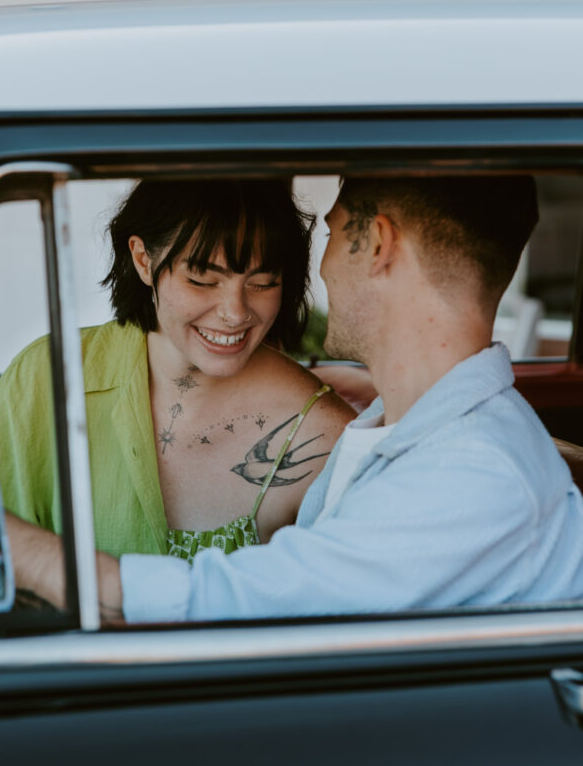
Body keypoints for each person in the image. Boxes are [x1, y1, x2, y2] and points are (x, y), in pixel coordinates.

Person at [95, 174, 583, 623]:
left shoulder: (474, 471)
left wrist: (38, 560)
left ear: (376, 245)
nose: (321, 271)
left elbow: (245, 607)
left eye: (330, 236)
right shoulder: (404, 429)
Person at [0, 179, 353, 567]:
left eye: (263, 283)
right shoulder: (46, 380)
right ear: (143, 261)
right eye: (202, 280)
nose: (236, 312)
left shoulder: (323, 435)